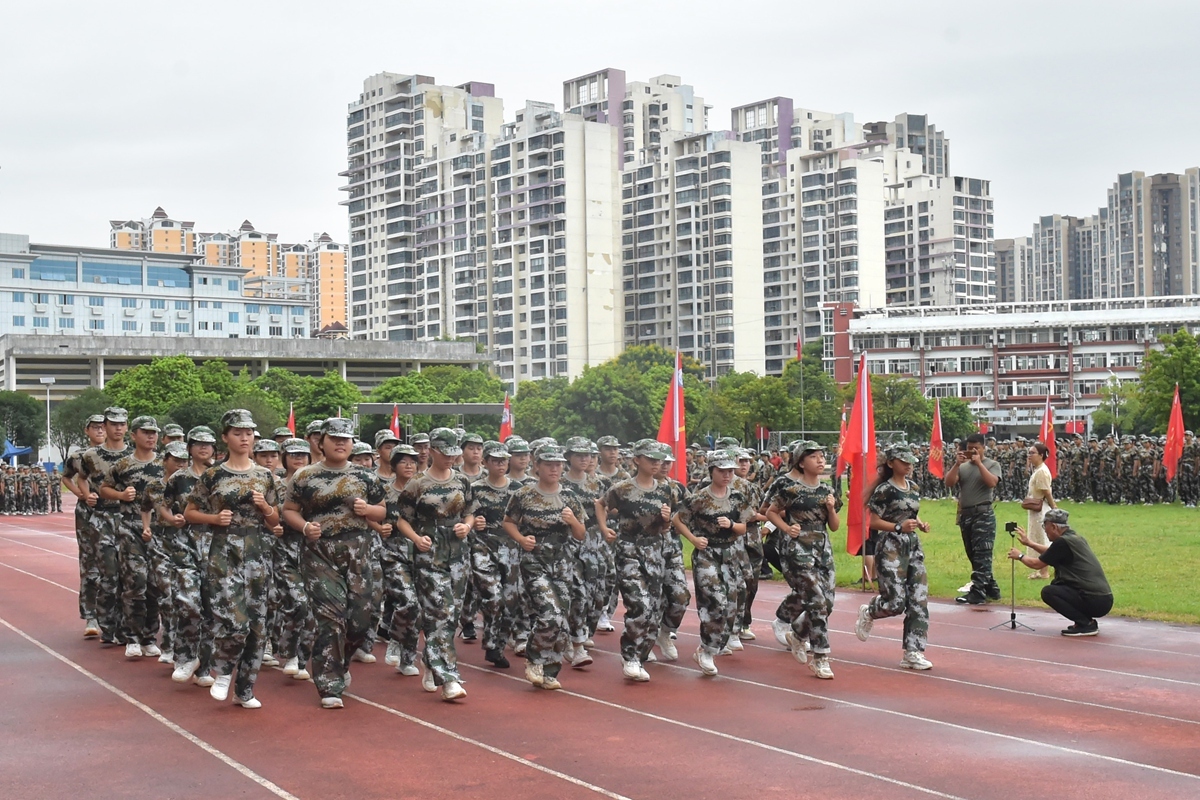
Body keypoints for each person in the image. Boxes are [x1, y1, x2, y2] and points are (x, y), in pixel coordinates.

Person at [283, 418, 387, 709]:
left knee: (360, 620)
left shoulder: (366, 477)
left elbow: (383, 511)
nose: (341, 443)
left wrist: (369, 510)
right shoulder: (305, 476)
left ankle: (341, 663)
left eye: (346, 439)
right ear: (321, 442)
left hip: (359, 552)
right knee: (331, 619)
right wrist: (304, 527)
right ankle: (329, 684)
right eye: (335, 438)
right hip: (320, 553)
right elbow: (288, 510)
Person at [185, 410, 282, 709]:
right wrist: (213, 518)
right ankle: (224, 670)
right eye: (238, 433)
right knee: (233, 618)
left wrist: (265, 507)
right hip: (224, 551)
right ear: (225, 437)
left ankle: (246, 689)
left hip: (256, 551)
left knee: (257, 624)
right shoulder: (213, 475)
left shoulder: (265, 476)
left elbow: (275, 519)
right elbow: (189, 513)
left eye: (249, 433)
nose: (244, 438)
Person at [393, 427, 478, 702]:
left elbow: (470, 513)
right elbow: (401, 519)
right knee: (440, 611)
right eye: (446, 453)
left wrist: (466, 525)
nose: (451, 458)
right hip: (429, 551)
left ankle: (432, 660)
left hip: (457, 550)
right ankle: (449, 678)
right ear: (432, 451)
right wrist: (417, 539)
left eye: (455, 453)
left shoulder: (462, 481)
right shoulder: (417, 483)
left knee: (451, 615)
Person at [504, 444, 587, 690]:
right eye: (549, 464)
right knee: (549, 612)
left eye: (559, 464)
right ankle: (534, 658)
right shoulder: (523, 494)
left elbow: (581, 534)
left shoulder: (570, 496)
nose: (554, 468)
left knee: (561, 619)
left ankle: (551, 670)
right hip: (534, 562)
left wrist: (573, 521)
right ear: (537, 466)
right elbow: (508, 522)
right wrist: (521, 539)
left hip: (562, 563)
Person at [764, 441, 841, 680]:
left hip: (822, 546)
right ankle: (821, 657)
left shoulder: (827, 490)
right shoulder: (790, 489)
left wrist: (831, 509)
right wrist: (787, 529)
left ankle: (797, 633)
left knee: (828, 602)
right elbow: (770, 511)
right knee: (817, 600)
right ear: (800, 462)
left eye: (821, 456)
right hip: (797, 547)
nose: (820, 461)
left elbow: (835, 526)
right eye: (813, 457)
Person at [674, 449, 754, 676]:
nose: (727, 475)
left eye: (730, 471)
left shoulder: (738, 497)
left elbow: (743, 527)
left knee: (730, 605)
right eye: (722, 471)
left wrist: (731, 524)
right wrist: (692, 539)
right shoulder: (699, 499)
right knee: (715, 601)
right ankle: (707, 650)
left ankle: (710, 646)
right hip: (707, 554)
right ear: (712, 472)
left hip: (730, 555)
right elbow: (678, 520)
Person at [601, 439, 674, 683]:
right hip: (628, 550)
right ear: (636, 460)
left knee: (653, 609)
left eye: (659, 460)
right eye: (650, 459)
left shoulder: (665, 489)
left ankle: (639, 656)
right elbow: (600, 505)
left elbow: (666, 527)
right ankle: (630, 656)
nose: (656, 463)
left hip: (655, 552)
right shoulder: (622, 488)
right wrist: (603, 528)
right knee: (639, 605)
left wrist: (666, 520)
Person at [855, 447, 933, 670]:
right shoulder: (884, 490)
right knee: (896, 602)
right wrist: (898, 526)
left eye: (911, 462)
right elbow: (874, 522)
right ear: (891, 463)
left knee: (919, 599)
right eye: (903, 461)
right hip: (890, 546)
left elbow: (911, 513)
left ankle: (913, 652)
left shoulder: (914, 487)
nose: (909, 465)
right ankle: (870, 610)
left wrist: (920, 523)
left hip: (912, 546)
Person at [102, 416, 165, 658]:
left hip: (159, 530)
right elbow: (104, 488)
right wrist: (120, 495)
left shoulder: (164, 464)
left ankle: (149, 637)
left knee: (154, 586)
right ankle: (132, 637)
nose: (151, 436)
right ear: (134, 435)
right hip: (130, 528)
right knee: (135, 582)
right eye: (146, 432)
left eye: (154, 432)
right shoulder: (124, 465)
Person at [163, 426, 218, 687]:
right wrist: (171, 518)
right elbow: (163, 505)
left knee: (210, 607)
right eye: (198, 444)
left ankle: (203, 665)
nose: (203, 448)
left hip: (216, 545)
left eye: (208, 444)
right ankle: (184, 657)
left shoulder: (220, 476)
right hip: (185, 543)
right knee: (188, 601)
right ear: (189, 448)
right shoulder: (179, 479)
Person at [1009, 509, 1113, 636]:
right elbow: (1051, 552)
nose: (1045, 530)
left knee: (1049, 592)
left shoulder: (1062, 543)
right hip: (1102, 598)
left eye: (1044, 526)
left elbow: (1036, 564)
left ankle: (1085, 624)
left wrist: (1019, 555)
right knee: (1058, 586)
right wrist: (1029, 543)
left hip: (1094, 599)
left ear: (1053, 526)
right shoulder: (1074, 537)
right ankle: (1085, 621)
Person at [63, 413, 108, 638]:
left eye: (103, 427)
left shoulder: (119, 455)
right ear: (87, 430)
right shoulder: (78, 456)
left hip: (114, 512)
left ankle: (113, 616)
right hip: (87, 513)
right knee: (90, 562)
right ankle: (91, 615)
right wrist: (81, 494)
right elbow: (66, 477)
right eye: (95, 427)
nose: (100, 431)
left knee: (116, 565)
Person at [945, 433, 1002, 604]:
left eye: (976, 448)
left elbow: (992, 482)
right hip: (966, 515)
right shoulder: (963, 467)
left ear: (984, 447)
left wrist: (978, 463)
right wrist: (956, 464)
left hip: (983, 514)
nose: (973, 451)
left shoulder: (992, 464)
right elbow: (949, 482)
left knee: (982, 553)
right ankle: (991, 587)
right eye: (969, 449)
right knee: (973, 554)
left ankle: (977, 592)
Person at [381, 444, 422, 675]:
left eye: (413, 462)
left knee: (419, 608)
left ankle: (408, 658)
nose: (409, 465)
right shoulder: (384, 492)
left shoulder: (422, 489)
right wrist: (379, 527)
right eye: (404, 461)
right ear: (394, 465)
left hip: (419, 554)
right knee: (408, 601)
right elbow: (368, 515)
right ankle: (395, 639)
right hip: (392, 553)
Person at [1023, 442, 1056, 580]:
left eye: (1032, 453)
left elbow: (1046, 492)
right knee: (1036, 537)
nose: (1029, 456)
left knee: (1041, 540)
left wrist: (1054, 507)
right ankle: (1039, 569)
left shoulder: (1042, 471)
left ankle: (1044, 571)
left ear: (1041, 455)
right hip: (1035, 509)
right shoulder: (1037, 469)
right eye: (1029, 453)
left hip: (1041, 509)